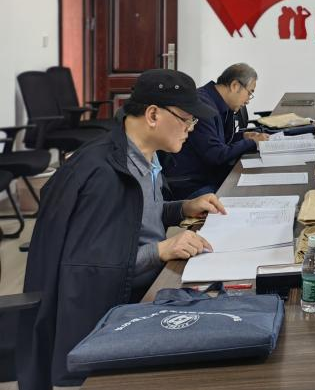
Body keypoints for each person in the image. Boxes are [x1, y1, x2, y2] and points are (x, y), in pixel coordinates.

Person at [17, 69, 226, 389]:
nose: (191, 128)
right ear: (153, 115)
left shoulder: (146, 158)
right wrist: (161, 250)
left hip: (142, 291)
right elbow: (87, 268)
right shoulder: (103, 175)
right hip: (112, 316)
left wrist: (183, 207)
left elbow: (135, 217)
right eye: (186, 119)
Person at [164, 63, 269, 199]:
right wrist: (252, 143)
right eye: (249, 93)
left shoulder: (220, 103)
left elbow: (221, 141)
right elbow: (215, 155)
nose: (248, 100)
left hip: (210, 176)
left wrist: (243, 136)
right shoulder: (203, 106)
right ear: (235, 85)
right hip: (193, 185)